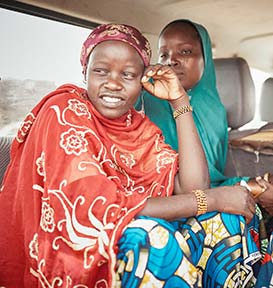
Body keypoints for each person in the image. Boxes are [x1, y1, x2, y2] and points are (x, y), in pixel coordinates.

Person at [0, 23, 262, 287]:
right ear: (85, 72)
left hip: (132, 233)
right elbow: (102, 210)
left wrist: (179, 100)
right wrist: (212, 199)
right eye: (101, 71)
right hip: (74, 247)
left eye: (128, 74)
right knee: (151, 239)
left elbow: (193, 187)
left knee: (227, 219)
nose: (113, 83)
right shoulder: (64, 111)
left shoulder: (137, 127)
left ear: (143, 81)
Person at [135, 18, 273, 286]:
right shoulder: (145, 102)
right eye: (164, 54)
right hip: (163, 203)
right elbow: (190, 186)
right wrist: (248, 187)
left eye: (185, 52)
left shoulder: (213, 108)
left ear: (205, 60)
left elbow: (212, 177)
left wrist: (251, 186)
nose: (172, 60)